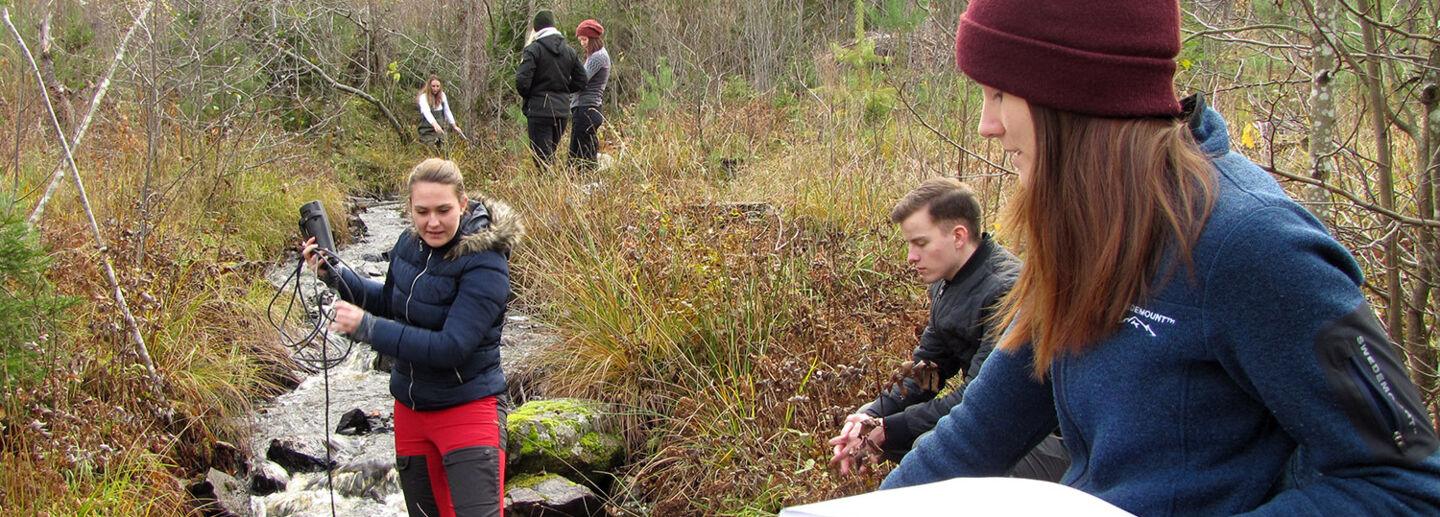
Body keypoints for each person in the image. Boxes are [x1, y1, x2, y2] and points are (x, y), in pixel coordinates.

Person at [880, 0, 1440, 514]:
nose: (986, 124)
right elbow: (985, 423)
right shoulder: (1092, 222)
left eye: (999, 93)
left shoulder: (1251, 244)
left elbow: (1406, 488)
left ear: (1075, 92)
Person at [303, 158, 523, 517]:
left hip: (468, 412)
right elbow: (390, 302)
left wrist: (368, 329)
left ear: (463, 205)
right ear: (409, 209)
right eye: (421, 211)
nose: (432, 222)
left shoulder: (486, 262)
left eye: (443, 210)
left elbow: (451, 347)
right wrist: (336, 274)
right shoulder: (409, 244)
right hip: (411, 413)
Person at [827, 178, 1068, 481]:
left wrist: (891, 429)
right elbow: (928, 370)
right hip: (995, 420)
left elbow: (983, 397)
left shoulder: (1007, 291)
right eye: (909, 244)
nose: (911, 257)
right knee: (917, 442)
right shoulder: (946, 280)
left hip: (1053, 439)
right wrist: (872, 415)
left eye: (921, 243)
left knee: (927, 447)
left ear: (958, 236)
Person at [515, 9, 586, 167]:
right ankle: (553, 188)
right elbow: (582, 79)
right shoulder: (569, 51)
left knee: (542, 161)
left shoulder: (533, 50)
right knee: (549, 155)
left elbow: (522, 82)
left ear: (537, 29)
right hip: (561, 111)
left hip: (539, 111)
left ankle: (551, 189)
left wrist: (532, 96)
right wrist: (563, 90)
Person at [567, 18, 610, 170]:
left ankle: (588, 186)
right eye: (580, 40)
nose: (582, 43)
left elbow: (580, 80)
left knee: (582, 156)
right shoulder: (596, 56)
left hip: (587, 109)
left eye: (584, 39)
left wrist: (561, 84)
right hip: (587, 109)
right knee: (581, 153)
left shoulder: (597, 57)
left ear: (593, 38)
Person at [416, 75, 465, 153]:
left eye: (437, 86)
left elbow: (447, 111)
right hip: (427, 131)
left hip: (440, 131)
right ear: (429, 86)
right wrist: (435, 125)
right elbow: (426, 112)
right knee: (431, 152)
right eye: (433, 86)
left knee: (445, 152)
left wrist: (454, 126)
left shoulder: (442, 96)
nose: (435, 88)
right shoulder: (423, 97)